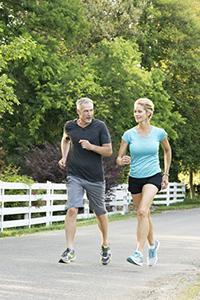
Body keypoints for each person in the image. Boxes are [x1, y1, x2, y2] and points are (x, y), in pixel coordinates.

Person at [116, 98, 171, 267]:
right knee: (144, 214)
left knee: (141, 211)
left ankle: (138, 252)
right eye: (135, 111)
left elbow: (167, 151)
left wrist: (166, 174)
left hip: (153, 176)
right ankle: (153, 245)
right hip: (135, 177)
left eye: (139, 111)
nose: (136, 114)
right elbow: (118, 158)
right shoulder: (129, 134)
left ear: (148, 113)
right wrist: (122, 160)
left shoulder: (159, 133)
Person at [58, 97, 113, 265]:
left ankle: (105, 244)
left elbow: (109, 151)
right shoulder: (70, 126)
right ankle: (70, 249)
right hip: (75, 175)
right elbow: (66, 139)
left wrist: (91, 147)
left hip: (95, 177)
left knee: (100, 213)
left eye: (91, 110)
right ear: (78, 112)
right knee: (72, 209)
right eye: (85, 111)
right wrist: (64, 157)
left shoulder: (100, 126)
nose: (89, 114)